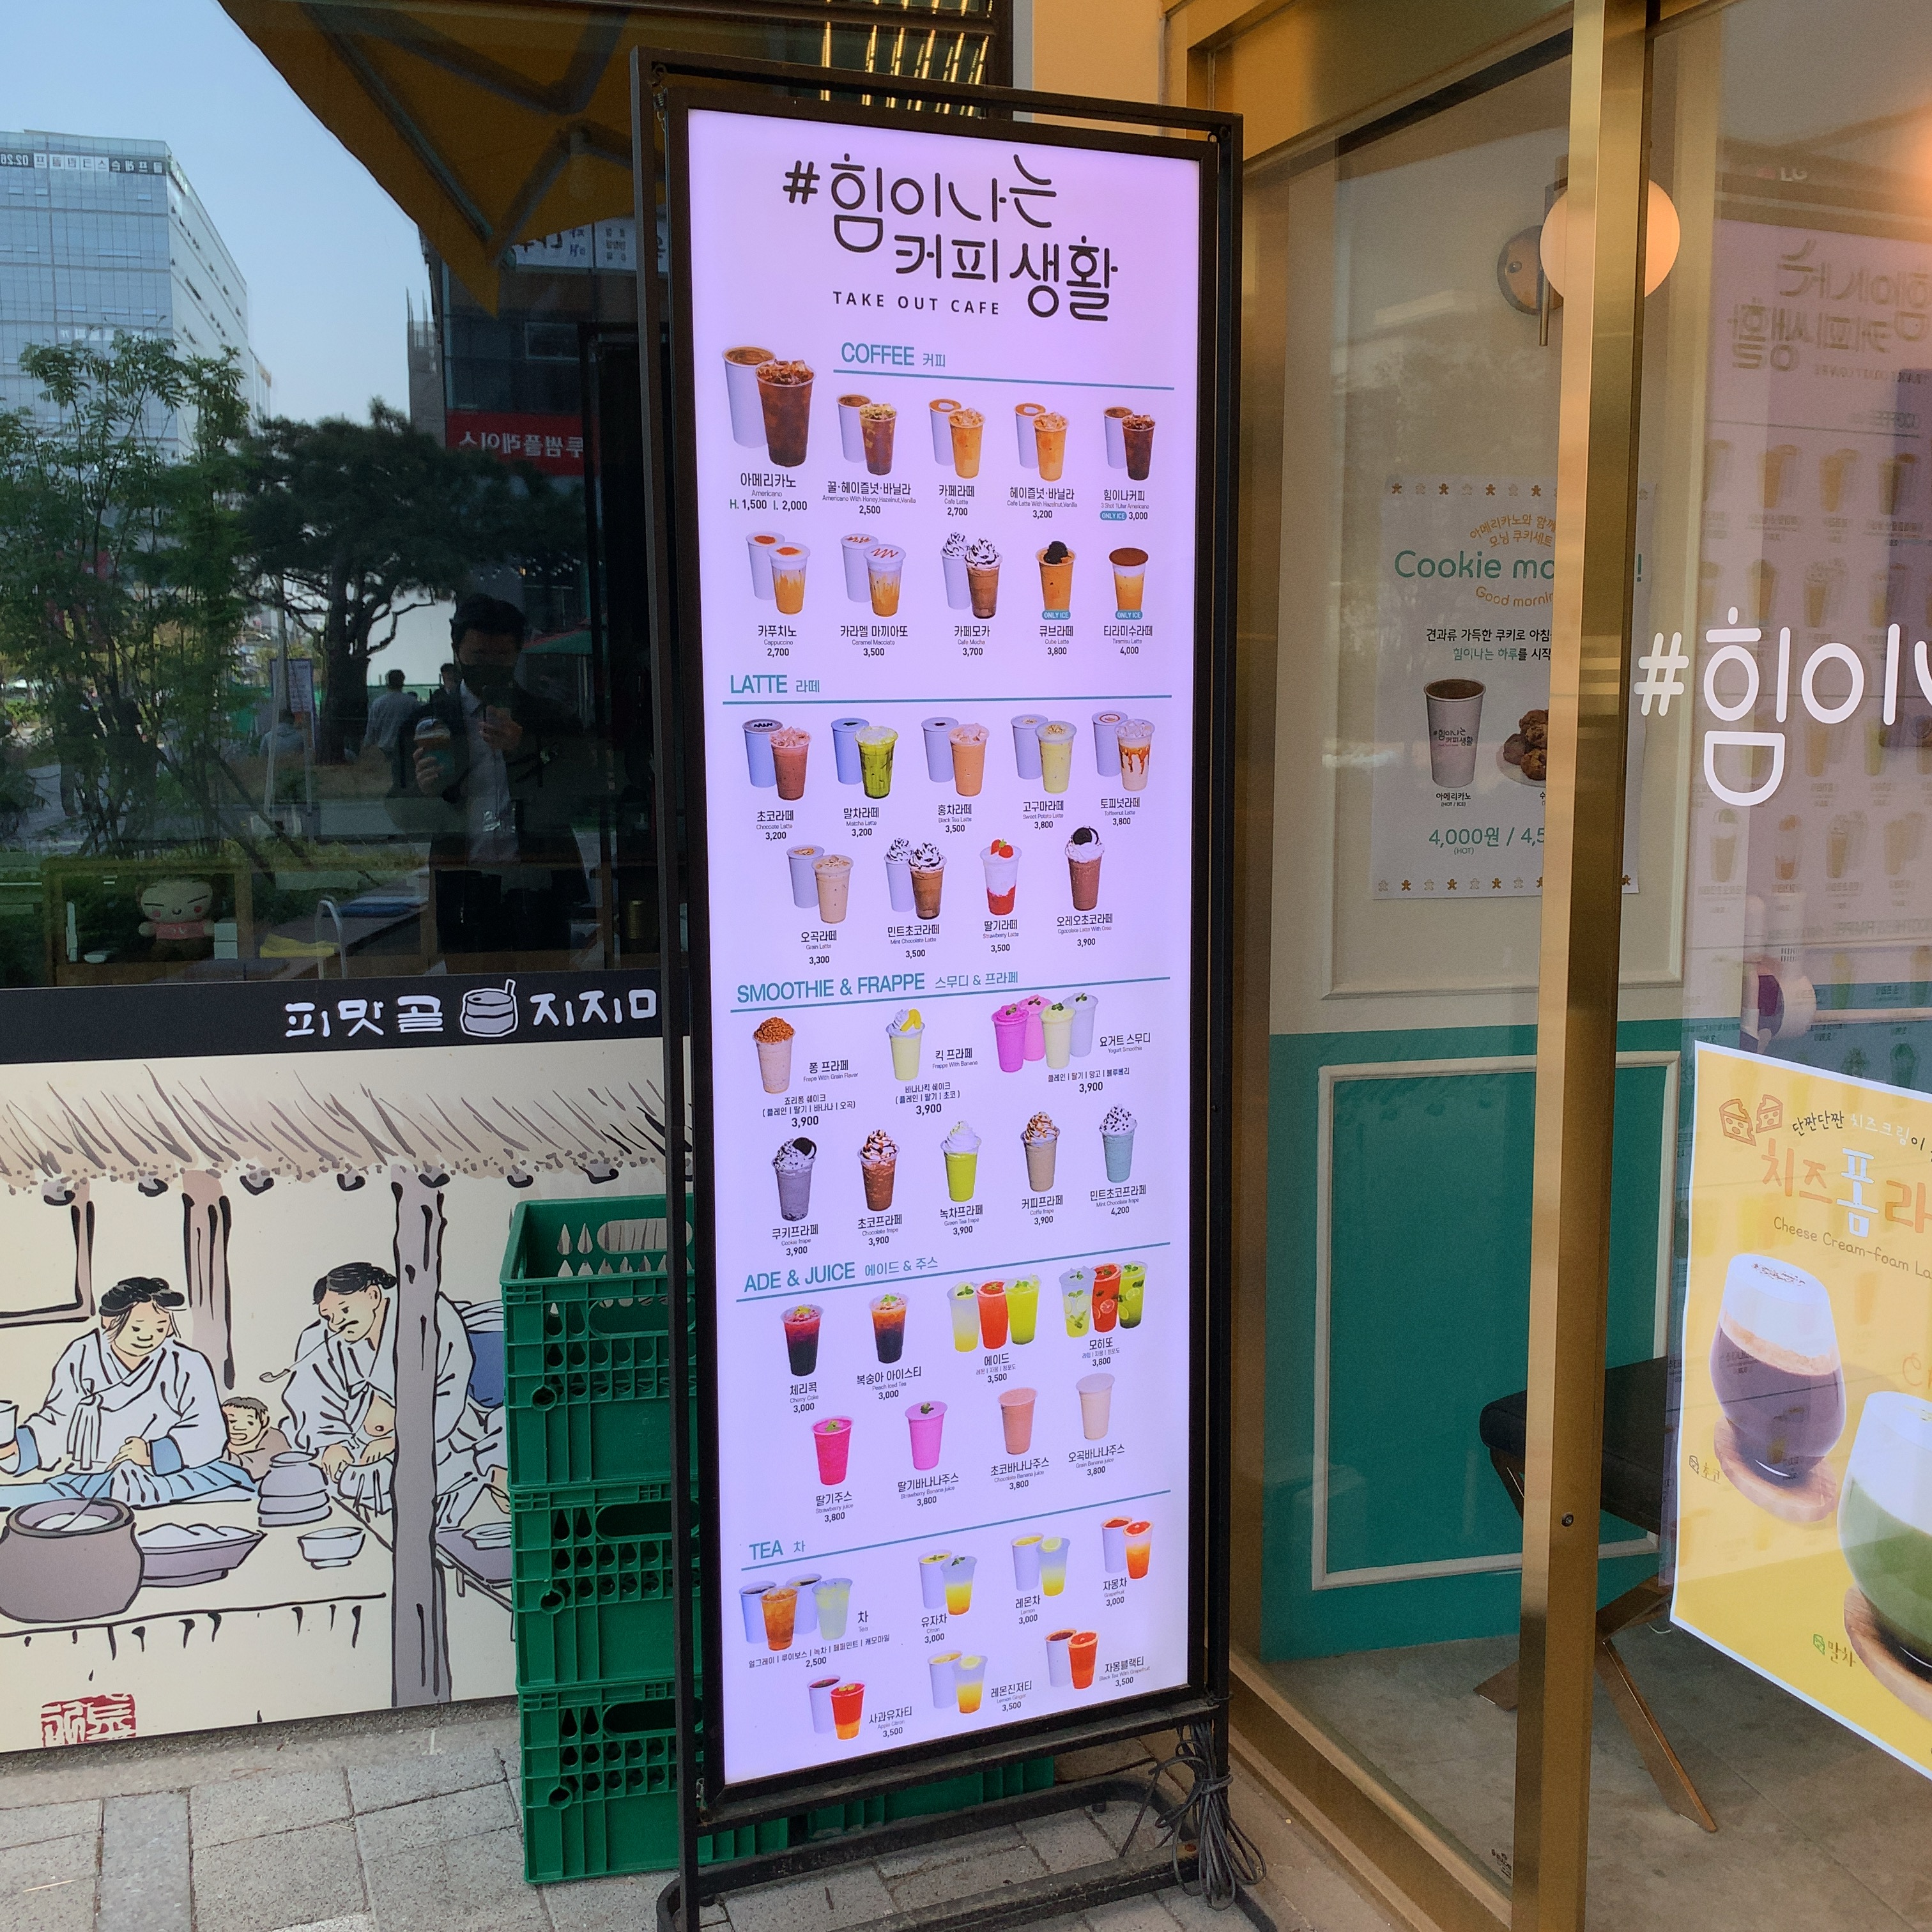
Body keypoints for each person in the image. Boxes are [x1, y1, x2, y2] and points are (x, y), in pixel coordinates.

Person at [0, 1278, 251, 1506]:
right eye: (137, 1328)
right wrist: (18, 1448)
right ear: (109, 1322)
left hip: (169, 1475)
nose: (149, 1337)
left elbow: (208, 1427)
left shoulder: (186, 1363)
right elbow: (59, 1417)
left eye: (160, 1328)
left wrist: (153, 1453)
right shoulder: (83, 1354)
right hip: (96, 1476)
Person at [280, 1261, 475, 1522]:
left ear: (373, 1296)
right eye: (328, 1316)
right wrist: (331, 1442)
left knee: (422, 1487)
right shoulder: (323, 1336)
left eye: (344, 1309)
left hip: (435, 1437)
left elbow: (449, 1390)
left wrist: (400, 1441)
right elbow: (311, 1393)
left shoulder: (430, 1314)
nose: (336, 1324)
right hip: (358, 1439)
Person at [220, 1396, 293, 1481]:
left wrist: (223, 1457)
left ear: (264, 1421)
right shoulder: (223, 1440)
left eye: (250, 1423)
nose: (238, 1427)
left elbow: (257, 1468)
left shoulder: (274, 1438)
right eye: (231, 1421)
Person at [364, 667, 416, 755]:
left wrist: (367, 745)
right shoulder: (412, 702)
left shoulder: (378, 703)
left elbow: (371, 728)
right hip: (407, 748)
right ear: (402, 682)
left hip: (383, 750)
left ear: (387, 683)